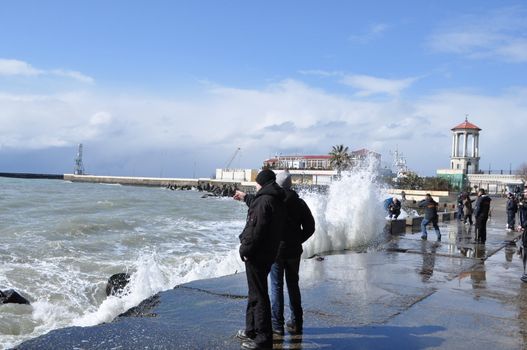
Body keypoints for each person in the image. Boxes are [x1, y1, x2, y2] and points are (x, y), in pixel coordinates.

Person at [234, 169, 287, 350]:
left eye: (257, 182)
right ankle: (251, 330)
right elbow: (259, 209)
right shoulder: (275, 198)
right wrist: (245, 198)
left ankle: (263, 339)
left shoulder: (264, 200)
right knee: (255, 293)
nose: (255, 185)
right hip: (269, 252)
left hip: (257, 254)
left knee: (259, 295)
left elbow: (255, 229)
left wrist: (245, 249)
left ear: (262, 183)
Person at [270, 171, 315, 336]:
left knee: (276, 287)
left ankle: (277, 325)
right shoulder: (300, 203)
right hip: (294, 251)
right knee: (293, 285)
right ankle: (296, 322)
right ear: (290, 184)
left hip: (276, 251)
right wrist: (297, 240)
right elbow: (310, 227)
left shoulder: (273, 202)